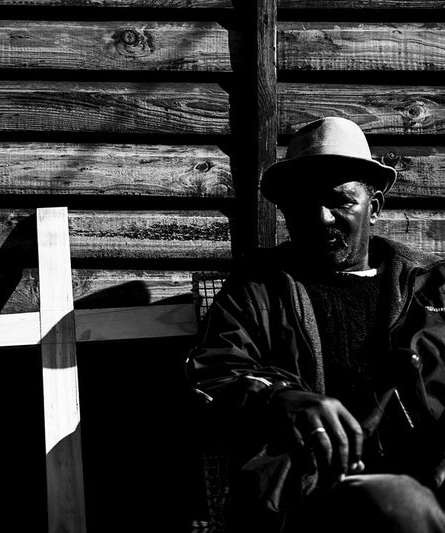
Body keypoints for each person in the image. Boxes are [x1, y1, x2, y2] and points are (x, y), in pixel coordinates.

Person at [187, 116, 445, 533]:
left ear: (374, 207)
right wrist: (281, 397)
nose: (321, 217)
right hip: (315, 493)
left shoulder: (432, 290)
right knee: (400, 505)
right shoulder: (257, 290)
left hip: (430, 479)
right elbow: (214, 372)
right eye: (303, 203)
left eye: (339, 201)